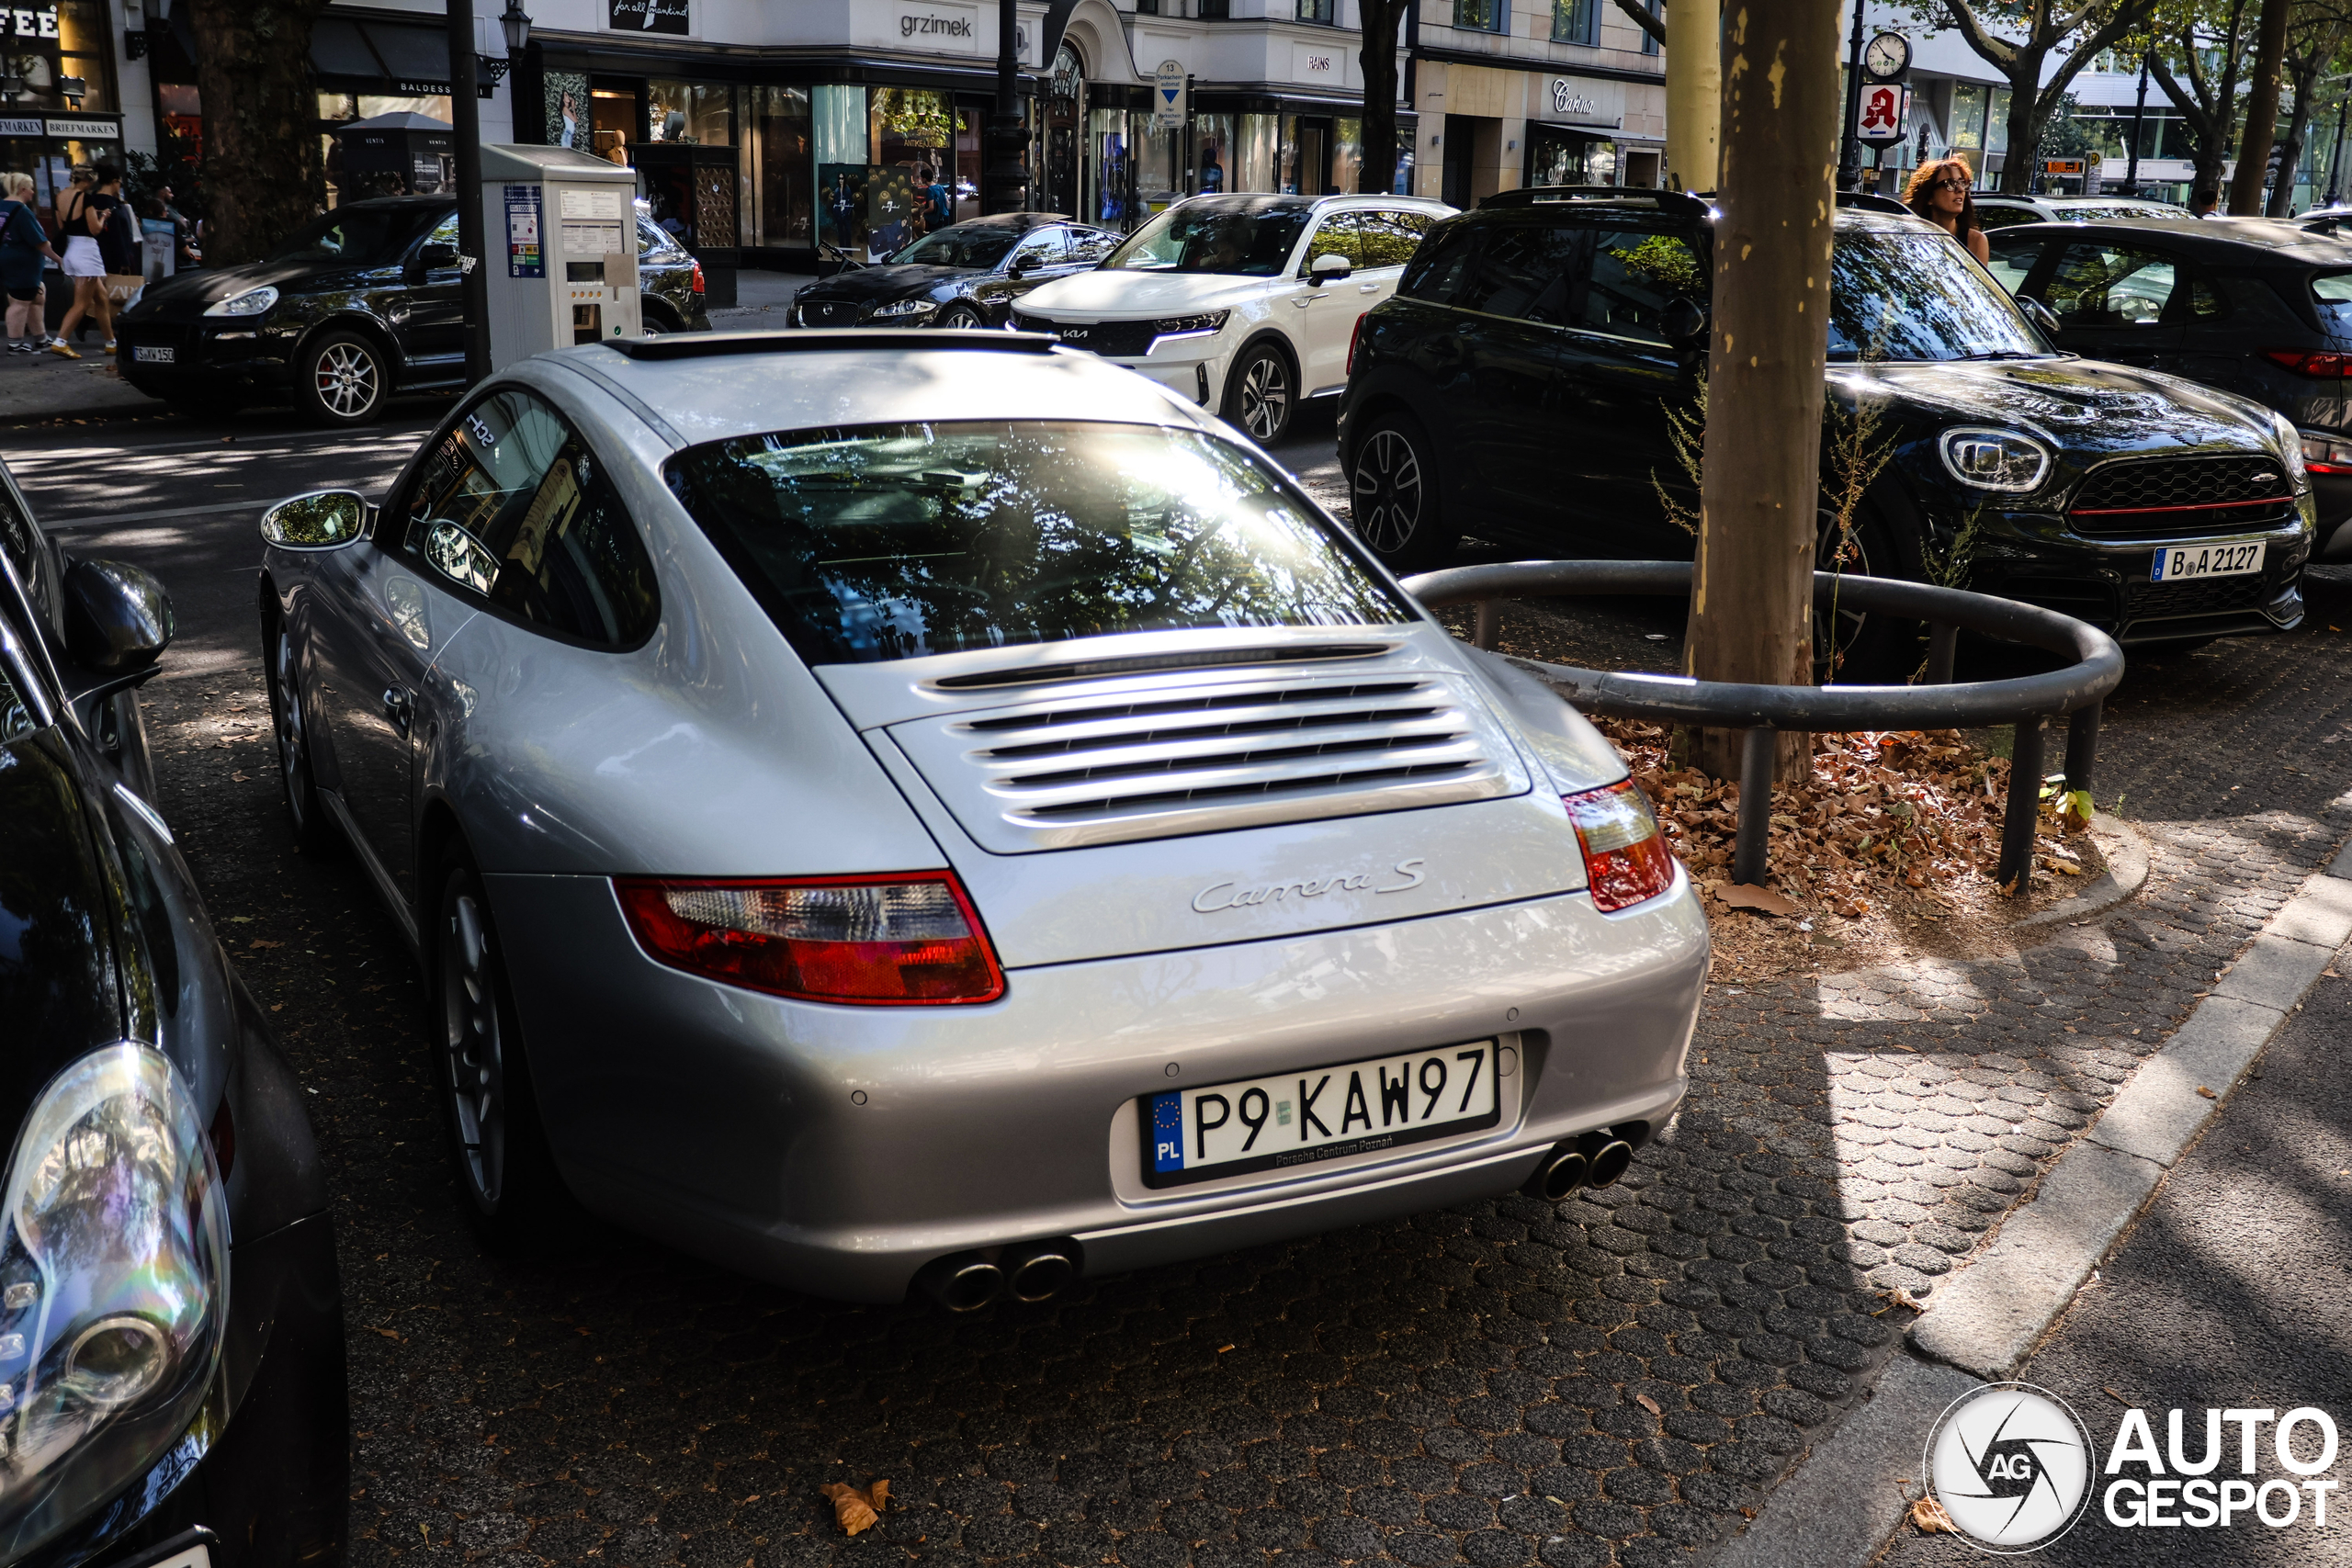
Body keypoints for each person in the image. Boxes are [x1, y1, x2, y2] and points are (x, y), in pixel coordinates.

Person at [56, 161, 128, 355]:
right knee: (82, 304)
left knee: (102, 298)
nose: (92, 186)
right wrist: (103, 216)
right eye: (91, 182)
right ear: (87, 180)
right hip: (86, 251)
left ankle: (111, 342)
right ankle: (61, 340)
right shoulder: (85, 198)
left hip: (71, 247)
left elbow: (64, 225)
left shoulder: (61, 196)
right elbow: (95, 229)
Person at [0, 173, 62, 354]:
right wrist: (59, 259)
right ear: (22, 189)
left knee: (36, 296)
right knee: (19, 302)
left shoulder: (2, 206)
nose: (33, 193)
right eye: (31, 189)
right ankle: (15, 343)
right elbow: (40, 242)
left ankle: (41, 338)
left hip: (8, 258)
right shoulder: (22, 211)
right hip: (23, 263)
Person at [1902, 157, 1989, 265]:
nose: (1960, 190)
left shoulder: (1976, 241)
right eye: (1950, 184)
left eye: (1962, 183)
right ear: (1929, 197)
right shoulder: (1909, 237)